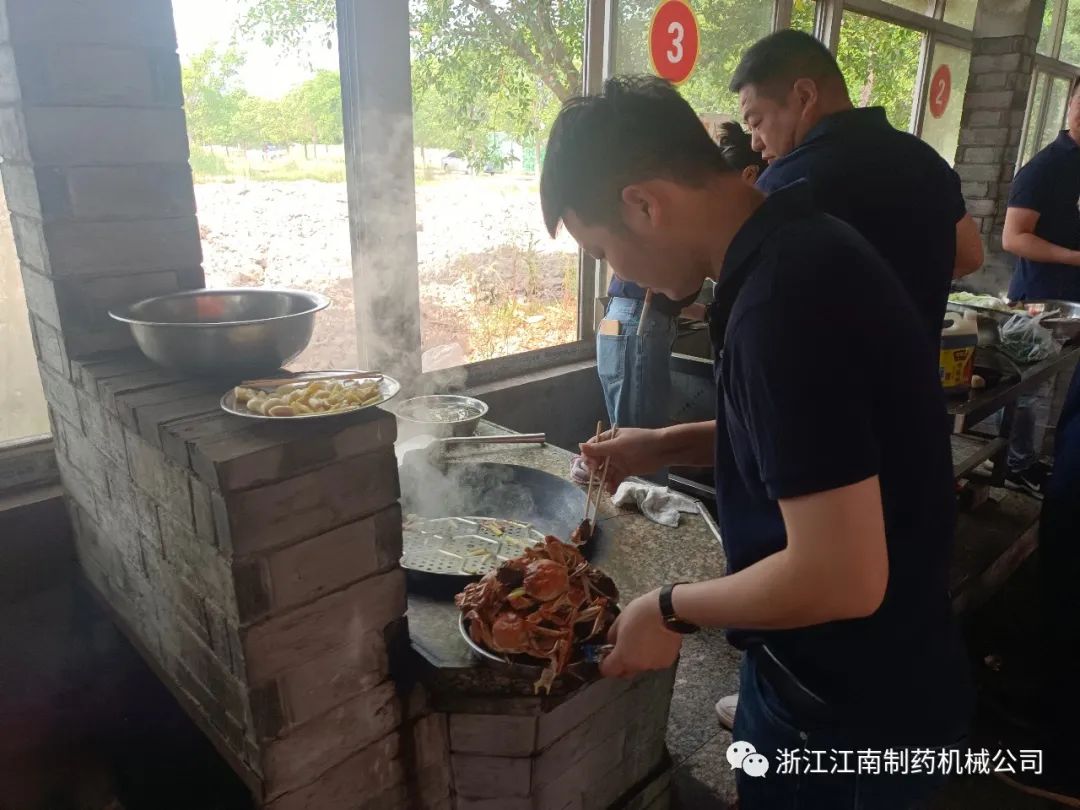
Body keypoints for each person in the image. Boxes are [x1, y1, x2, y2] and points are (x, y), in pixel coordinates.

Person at [542, 75, 971, 809]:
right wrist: (661, 444)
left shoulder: (782, 303)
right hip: (868, 674)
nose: (619, 274)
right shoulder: (795, 242)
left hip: (844, 710)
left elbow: (842, 576)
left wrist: (667, 609)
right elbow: (818, 442)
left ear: (643, 204)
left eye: (602, 249)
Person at [732, 30, 984, 347]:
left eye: (756, 122)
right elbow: (970, 255)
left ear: (805, 96)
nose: (755, 143)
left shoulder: (784, 186)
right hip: (910, 374)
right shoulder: (925, 161)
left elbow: (746, 310)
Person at [997, 76, 1080, 493]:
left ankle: (1040, 461)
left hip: (1074, 298)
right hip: (1042, 300)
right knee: (1030, 389)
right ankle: (1017, 466)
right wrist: (1074, 257)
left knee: (1061, 387)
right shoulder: (1047, 166)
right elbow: (1013, 238)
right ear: (1070, 104)